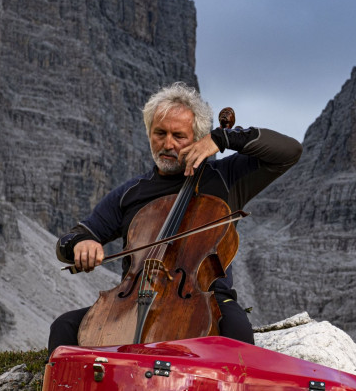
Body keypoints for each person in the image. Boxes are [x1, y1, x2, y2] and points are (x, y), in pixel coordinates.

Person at [48, 82, 302, 355]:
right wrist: (80, 245)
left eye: (178, 136)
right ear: (149, 133)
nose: (167, 144)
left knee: (238, 335)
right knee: (64, 326)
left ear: (198, 138)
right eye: (160, 133)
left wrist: (226, 139)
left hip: (206, 299)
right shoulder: (130, 193)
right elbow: (72, 238)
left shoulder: (225, 178)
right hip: (132, 299)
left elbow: (289, 152)